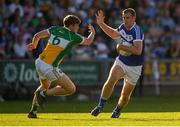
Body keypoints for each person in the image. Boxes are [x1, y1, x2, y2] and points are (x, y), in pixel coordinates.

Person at [27, 15, 95, 118]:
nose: (78, 28)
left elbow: (37, 35)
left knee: (44, 86)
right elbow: (89, 41)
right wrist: (93, 33)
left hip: (39, 62)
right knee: (71, 89)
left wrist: (34, 45)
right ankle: (43, 94)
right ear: (71, 26)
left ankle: (33, 111)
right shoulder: (73, 36)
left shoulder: (55, 28)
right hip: (50, 66)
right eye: (77, 26)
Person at [91, 8, 144, 118]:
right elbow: (113, 33)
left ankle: (117, 110)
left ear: (134, 18)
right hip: (122, 61)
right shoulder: (123, 27)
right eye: (123, 18)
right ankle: (100, 106)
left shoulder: (137, 30)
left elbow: (138, 51)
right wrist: (101, 24)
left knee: (125, 95)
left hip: (135, 66)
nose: (125, 20)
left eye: (128, 17)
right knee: (111, 80)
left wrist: (121, 46)